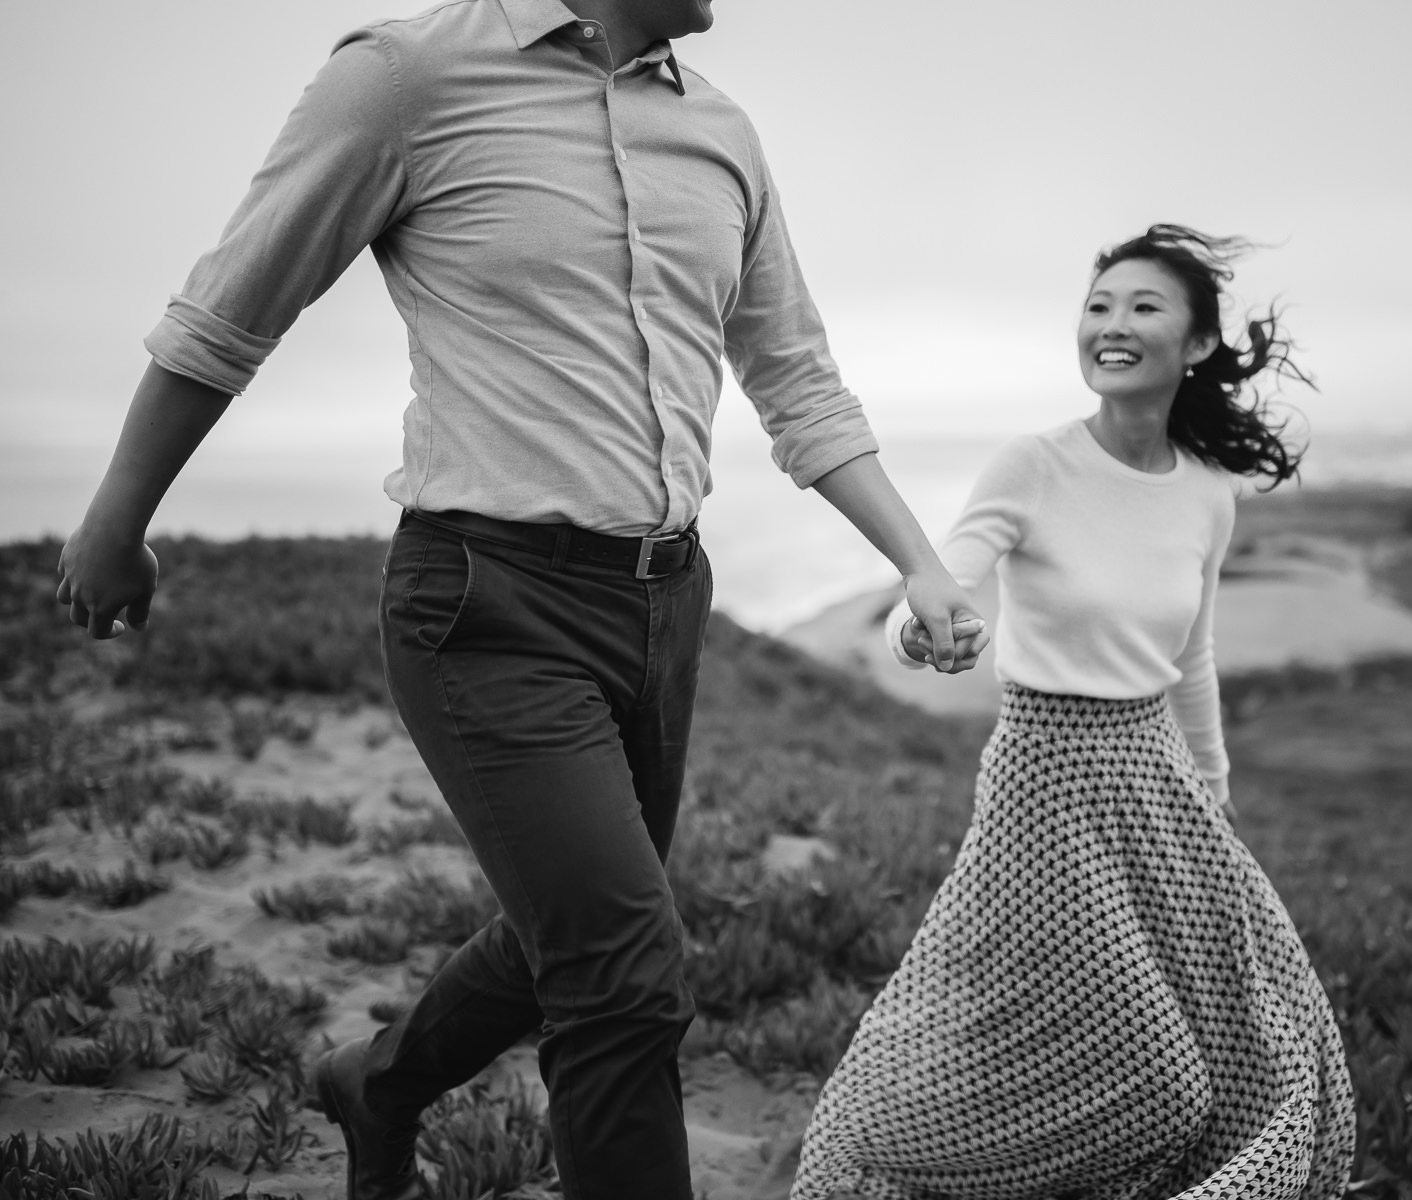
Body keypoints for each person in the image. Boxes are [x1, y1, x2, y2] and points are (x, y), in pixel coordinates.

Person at [52, 2, 989, 1198]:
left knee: (584, 930)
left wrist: (917, 559)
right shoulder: (405, 76)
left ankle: (380, 1081)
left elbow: (795, 377)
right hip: (484, 604)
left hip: (663, 603)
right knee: (623, 969)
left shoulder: (723, 133)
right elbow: (233, 308)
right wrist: (116, 523)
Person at [790, 225, 1355, 1200]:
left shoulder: (1205, 494)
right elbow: (939, 584)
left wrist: (1211, 791)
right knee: (1149, 1072)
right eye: (1096, 307)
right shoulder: (1032, 464)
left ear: (1196, 345)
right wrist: (920, 631)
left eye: (1142, 307)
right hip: (1043, 786)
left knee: (1256, 1026)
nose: (1111, 325)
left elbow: (1190, 655)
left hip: (1157, 782)